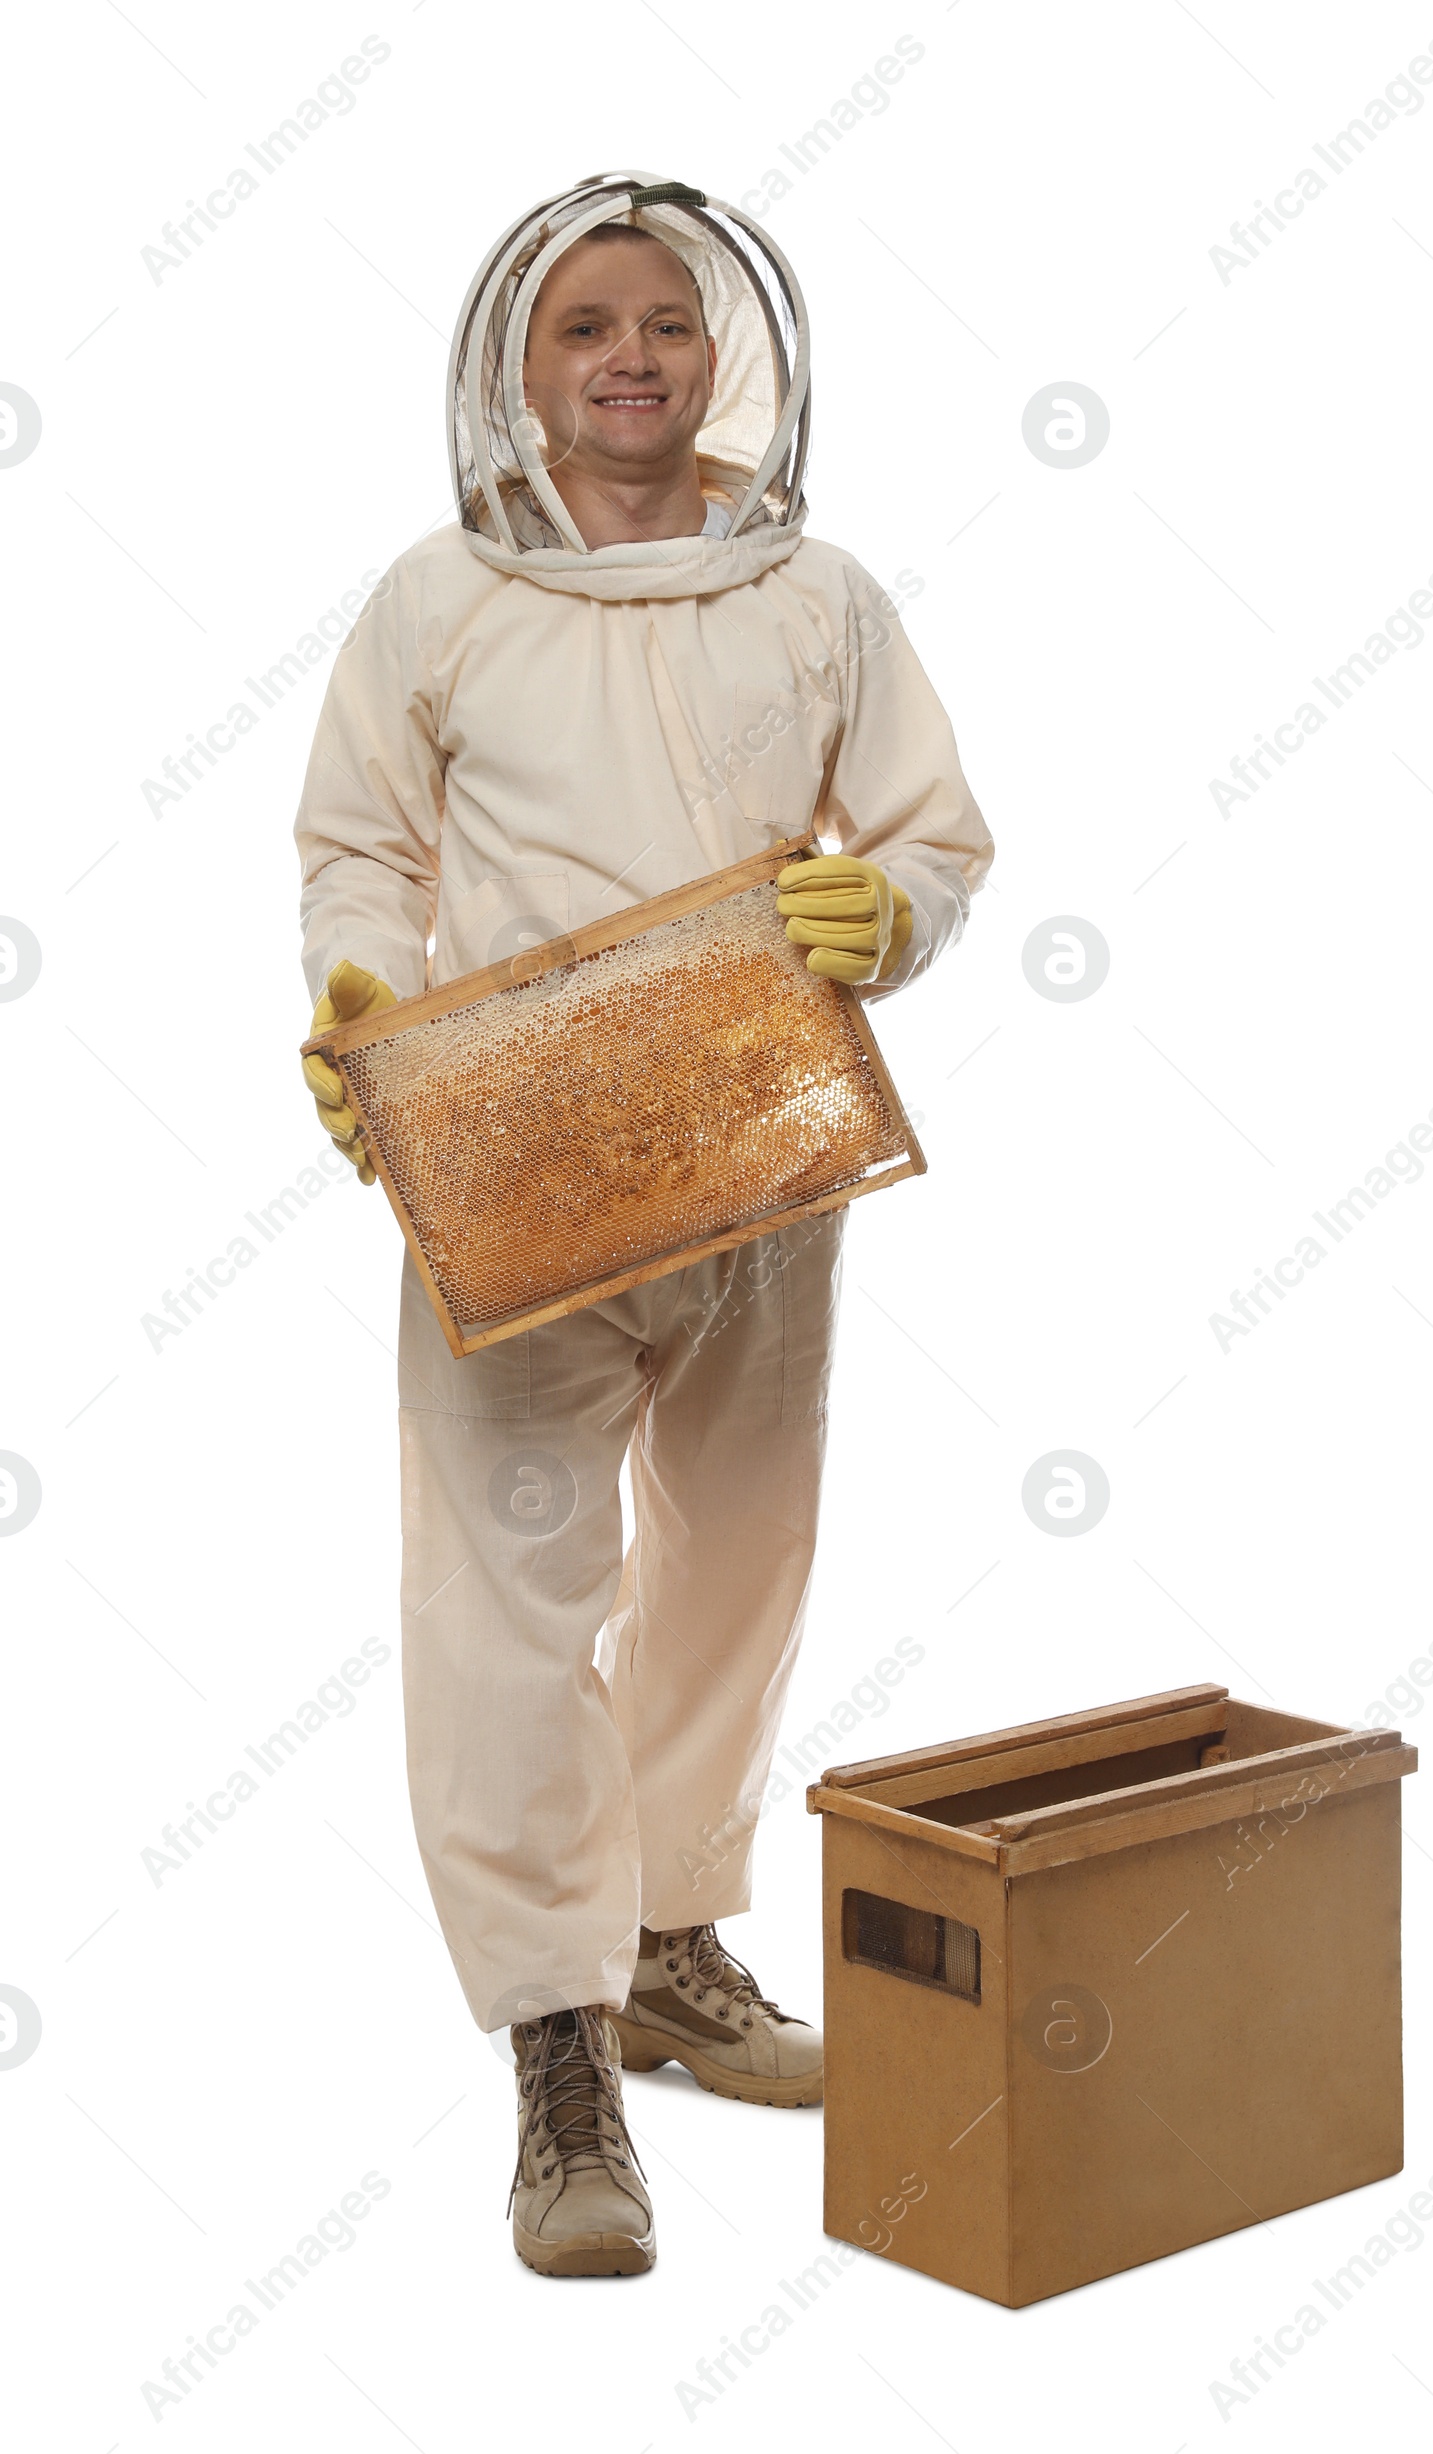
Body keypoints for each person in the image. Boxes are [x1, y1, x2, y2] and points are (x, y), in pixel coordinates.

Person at [295, 173, 992, 2278]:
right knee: (507, 1591)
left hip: (765, 1152)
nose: (628, 358)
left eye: (664, 325)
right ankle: (551, 2041)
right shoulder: (437, 598)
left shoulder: (821, 595)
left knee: (737, 1552)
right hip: (510, 1161)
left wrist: (901, 911)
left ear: (723, 356)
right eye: (586, 324)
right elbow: (354, 846)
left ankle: (675, 1943)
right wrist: (358, 1005)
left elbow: (932, 826)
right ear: (522, 362)